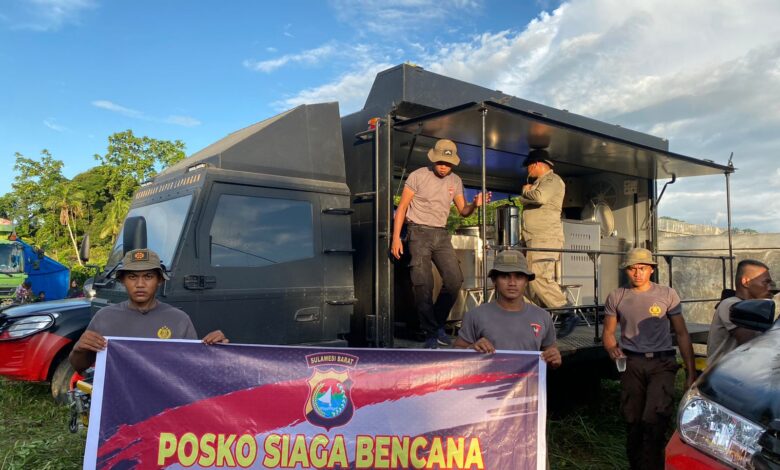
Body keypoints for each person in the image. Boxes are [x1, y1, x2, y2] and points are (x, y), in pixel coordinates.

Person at [602, 248, 696, 470]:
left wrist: (690, 373)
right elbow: (608, 332)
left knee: (655, 418)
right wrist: (612, 348)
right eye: (633, 269)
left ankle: (655, 464)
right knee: (633, 420)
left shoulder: (667, 294)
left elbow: (681, 333)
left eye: (643, 268)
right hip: (631, 363)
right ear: (626, 270)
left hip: (662, 363)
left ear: (651, 269)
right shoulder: (617, 296)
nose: (638, 273)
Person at [391, 139, 488, 349]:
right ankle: (431, 333)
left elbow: (463, 211)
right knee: (423, 283)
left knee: (455, 280)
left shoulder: (456, 180)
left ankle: (435, 325)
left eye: (448, 163)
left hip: (442, 234)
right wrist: (396, 237)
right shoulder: (418, 175)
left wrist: (474, 204)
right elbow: (402, 208)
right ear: (434, 159)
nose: (444, 167)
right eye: (441, 162)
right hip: (418, 232)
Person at [69, 248, 228, 373]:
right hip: (117, 402)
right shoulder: (104, 318)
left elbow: (194, 368)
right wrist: (79, 349)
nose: (140, 284)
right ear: (122, 280)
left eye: (148, 276)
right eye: (132, 277)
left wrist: (216, 352)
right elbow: (79, 366)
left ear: (159, 280)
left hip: (162, 403)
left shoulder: (179, 320)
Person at [454, 249, 562, 369]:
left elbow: (550, 353)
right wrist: (471, 349)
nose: (512, 283)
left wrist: (554, 358)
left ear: (526, 281)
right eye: (505, 276)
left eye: (519, 277)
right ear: (494, 280)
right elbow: (455, 354)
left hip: (529, 381)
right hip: (487, 380)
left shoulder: (542, 316)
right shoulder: (475, 315)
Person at [518, 149, 577, 337]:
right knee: (526, 281)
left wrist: (525, 191)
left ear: (536, 164)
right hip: (532, 238)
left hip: (545, 237)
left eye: (528, 166)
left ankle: (566, 311)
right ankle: (534, 319)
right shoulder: (540, 183)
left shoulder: (552, 180)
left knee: (538, 277)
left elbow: (540, 197)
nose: (528, 171)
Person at [707, 259, 772, 365]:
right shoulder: (730, 305)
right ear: (746, 282)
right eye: (766, 282)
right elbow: (752, 344)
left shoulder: (752, 308)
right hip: (725, 373)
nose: (770, 288)